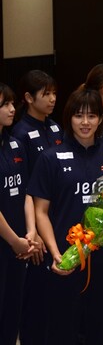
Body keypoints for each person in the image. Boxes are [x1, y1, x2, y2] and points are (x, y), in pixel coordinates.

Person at [20, 88, 103, 345]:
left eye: (92, 116)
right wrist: (55, 252)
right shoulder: (50, 158)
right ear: (68, 117)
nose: (85, 122)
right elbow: (41, 212)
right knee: (62, 330)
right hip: (65, 260)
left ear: (100, 119)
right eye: (78, 116)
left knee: (101, 330)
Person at [0, 82, 38, 345]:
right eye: (5, 104)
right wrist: (15, 240)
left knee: (14, 309)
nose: (12, 109)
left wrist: (31, 231)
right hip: (7, 242)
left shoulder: (14, 144)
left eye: (13, 103)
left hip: (21, 243)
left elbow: (27, 191)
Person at [11, 69, 63, 175]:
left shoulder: (55, 127)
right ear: (29, 98)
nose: (53, 99)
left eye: (54, 93)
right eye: (47, 93)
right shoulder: (20, 133)